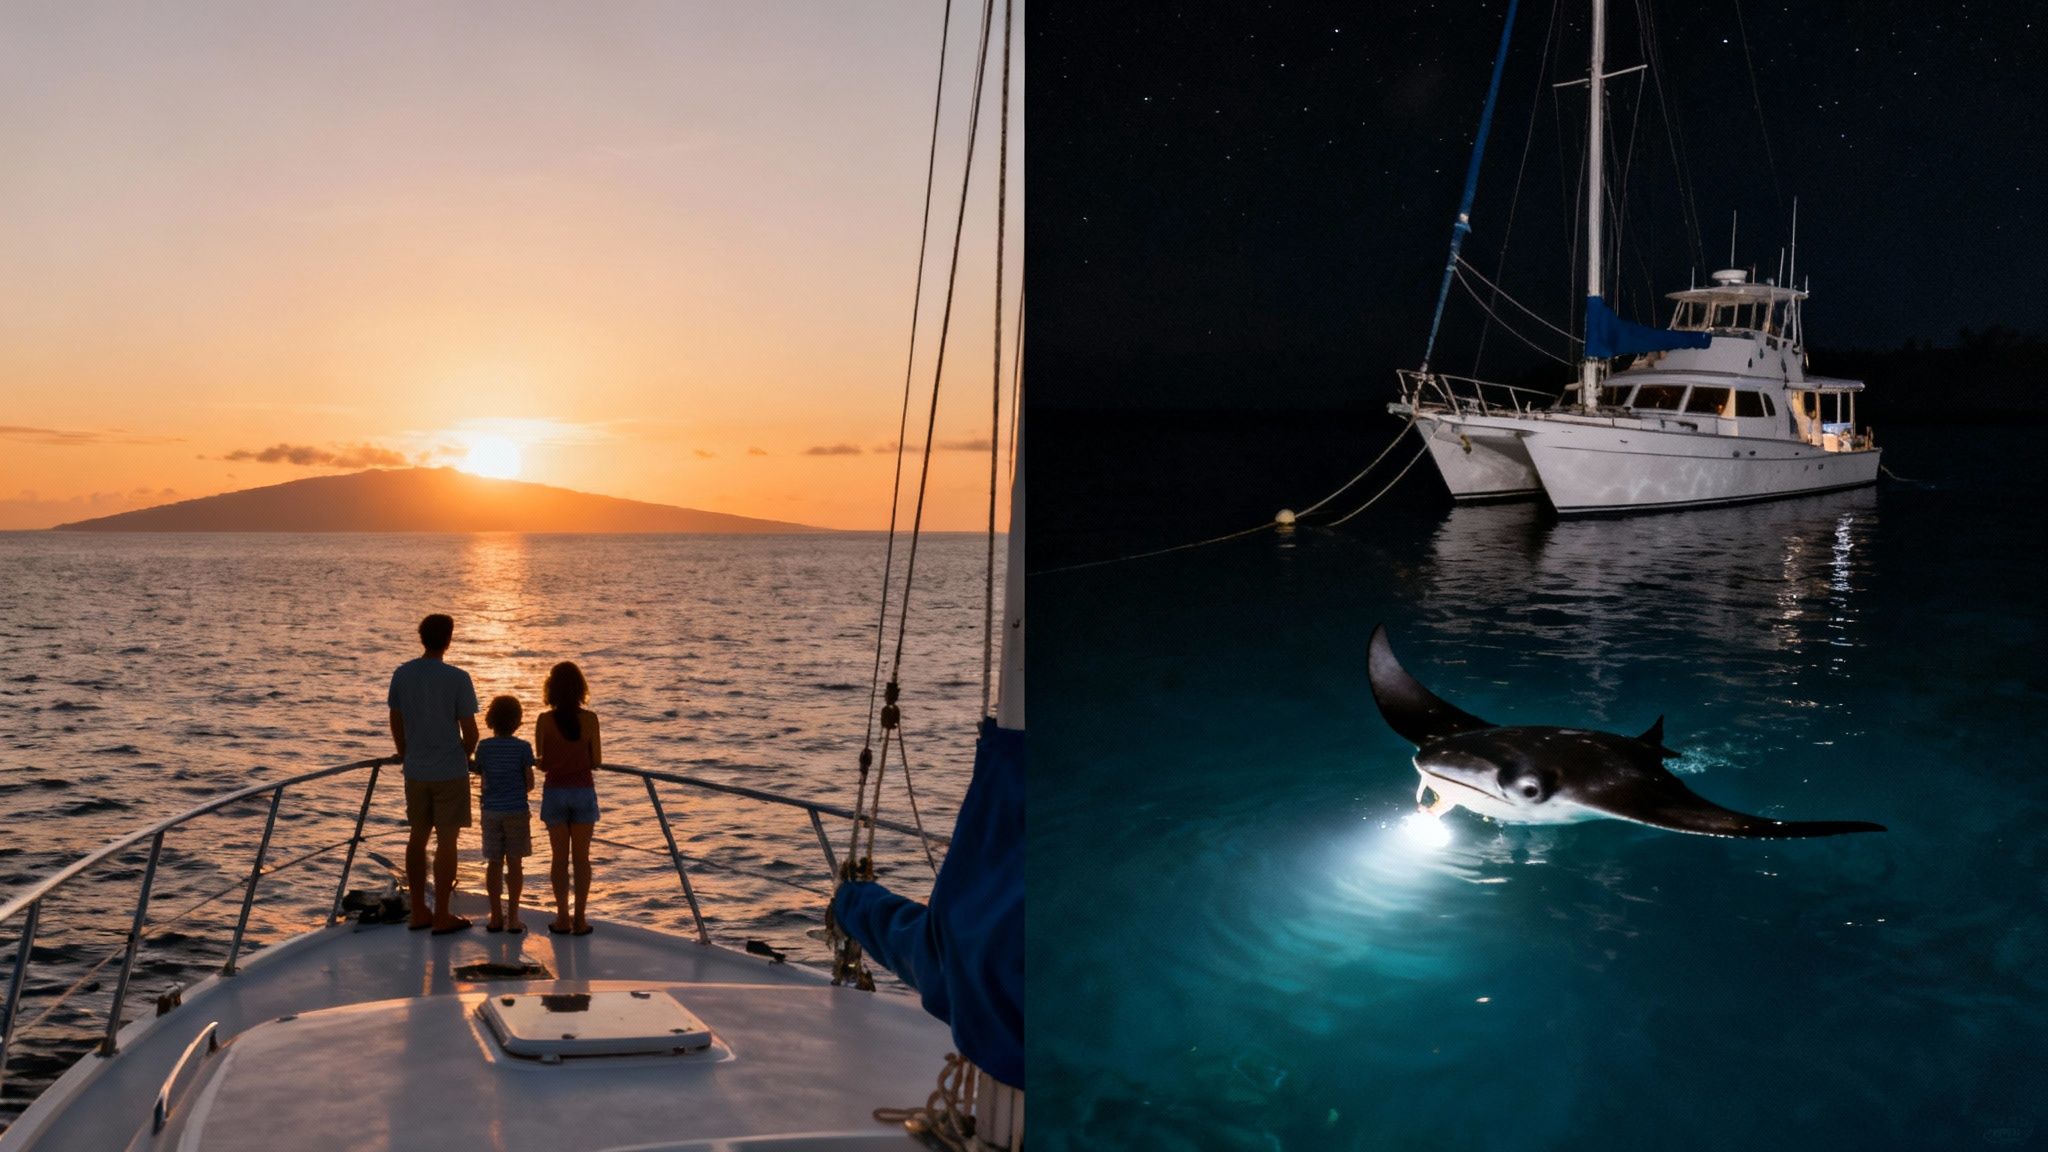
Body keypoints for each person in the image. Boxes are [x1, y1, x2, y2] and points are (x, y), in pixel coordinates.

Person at [387, 613, 479, 933]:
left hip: (416, 769)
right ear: (448, 640)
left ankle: (418, 911)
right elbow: (471, 732)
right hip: (450, 770)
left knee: (418, 836)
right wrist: (464, 755)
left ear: (422, 637)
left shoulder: (402, 674)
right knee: (447, 841)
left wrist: (404, 752)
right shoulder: (458, 678)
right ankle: (441, 914)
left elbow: (395, 719)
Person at [536, 661, 600, 935]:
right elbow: (596, 761)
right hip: (583, 791)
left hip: (555, 792)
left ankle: (562, 917)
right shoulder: (590, 719)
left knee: (559, 859)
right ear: (579, 688)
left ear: (551, 689)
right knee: (582, 860)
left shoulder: (544, 720)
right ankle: (580, 919)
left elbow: (542, 763)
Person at [473, 694, 536, 934]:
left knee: (494, 863)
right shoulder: (523, 748)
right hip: (517, 811)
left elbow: (479, 771)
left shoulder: (484, 747)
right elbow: (529, 783)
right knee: (515, 863)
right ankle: (514, 918)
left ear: (491, 719)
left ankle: (496, 917)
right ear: (518, 721)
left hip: (491, 812)